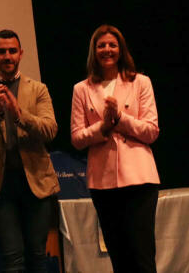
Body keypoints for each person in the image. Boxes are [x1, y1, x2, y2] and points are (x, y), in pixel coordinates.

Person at [0, 30, 59, 272]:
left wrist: (19, 114)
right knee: (12, 258)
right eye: (1, 51)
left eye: (12, 51)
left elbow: (50, 130)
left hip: (35, 182)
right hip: (0, 185)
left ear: (21, 54)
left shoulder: (38, 89)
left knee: (37, 255)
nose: (7, 56)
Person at [70, 24, 159, 273]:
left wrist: (120, 119)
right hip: (103, 183)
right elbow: (77, 138)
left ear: (120, 49)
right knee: (119, 256)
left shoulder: (140, 82)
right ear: (94, 51)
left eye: (112, 44)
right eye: (101, 45)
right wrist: (104, 127)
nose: (107, 50)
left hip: (140, 180)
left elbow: (151, 131)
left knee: (141, 257)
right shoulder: (81, 89)